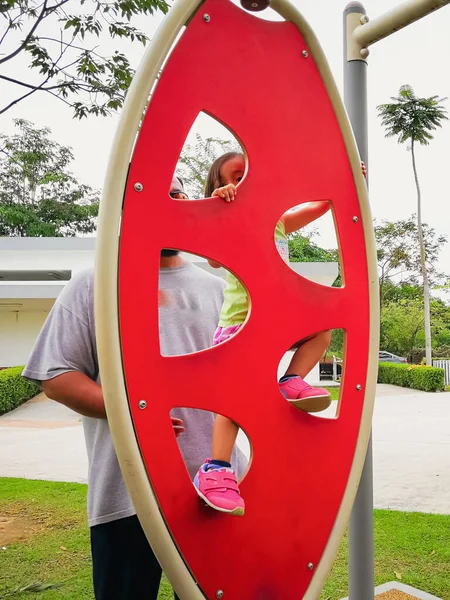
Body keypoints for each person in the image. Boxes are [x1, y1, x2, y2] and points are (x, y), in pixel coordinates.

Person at [22, 175, 246, 600]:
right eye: (159, 194)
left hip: (216, 492)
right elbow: (56, 376)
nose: (172, 204)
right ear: (126, 210)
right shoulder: (95, 284)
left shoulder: (220, 289)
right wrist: (135, 413)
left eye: (179, 195)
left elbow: (245, 381)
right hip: (127, 495)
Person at [194, 152, 365, 517]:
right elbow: (210, 257)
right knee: (235, 404)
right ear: (219, 187)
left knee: (321, 330)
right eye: (234, 179)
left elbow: (323, 206)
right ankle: (216, 470)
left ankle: (291, 379)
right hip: (241, 325)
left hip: (278, 321)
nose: (242, 185)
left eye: (248, 177)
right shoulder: (227, 218)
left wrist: (348, 180)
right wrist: (220, 205)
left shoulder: (281, 222)